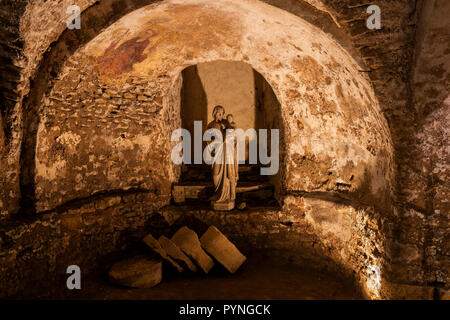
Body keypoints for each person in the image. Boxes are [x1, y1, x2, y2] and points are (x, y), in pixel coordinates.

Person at [205, 106, 239, 209]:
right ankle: (218, 193)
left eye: (222, 113)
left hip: (226, 152)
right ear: (214, 113)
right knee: (215, 173)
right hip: (217, 152)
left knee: (227, 174)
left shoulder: (225, 124)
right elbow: (207, 140)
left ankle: (226, 196)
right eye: (218, 113)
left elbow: (233, 138)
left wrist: (228, 131)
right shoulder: (211, 125)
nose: (220, 115)